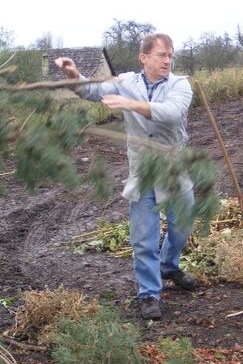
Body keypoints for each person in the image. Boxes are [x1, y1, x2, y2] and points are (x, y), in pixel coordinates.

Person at [55, 33, 197, 320]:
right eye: (161, 55)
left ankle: (169, 264)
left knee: (182, 227)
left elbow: (170, 114)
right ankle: (149, 293)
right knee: (144, 238)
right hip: (143, 171)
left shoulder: (179, 84)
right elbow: (92, 90)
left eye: (170, 55)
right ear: (143, 58)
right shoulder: (127, 82)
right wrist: (73, 74)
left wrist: (131, 105)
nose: (167, 60)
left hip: (174, 168)